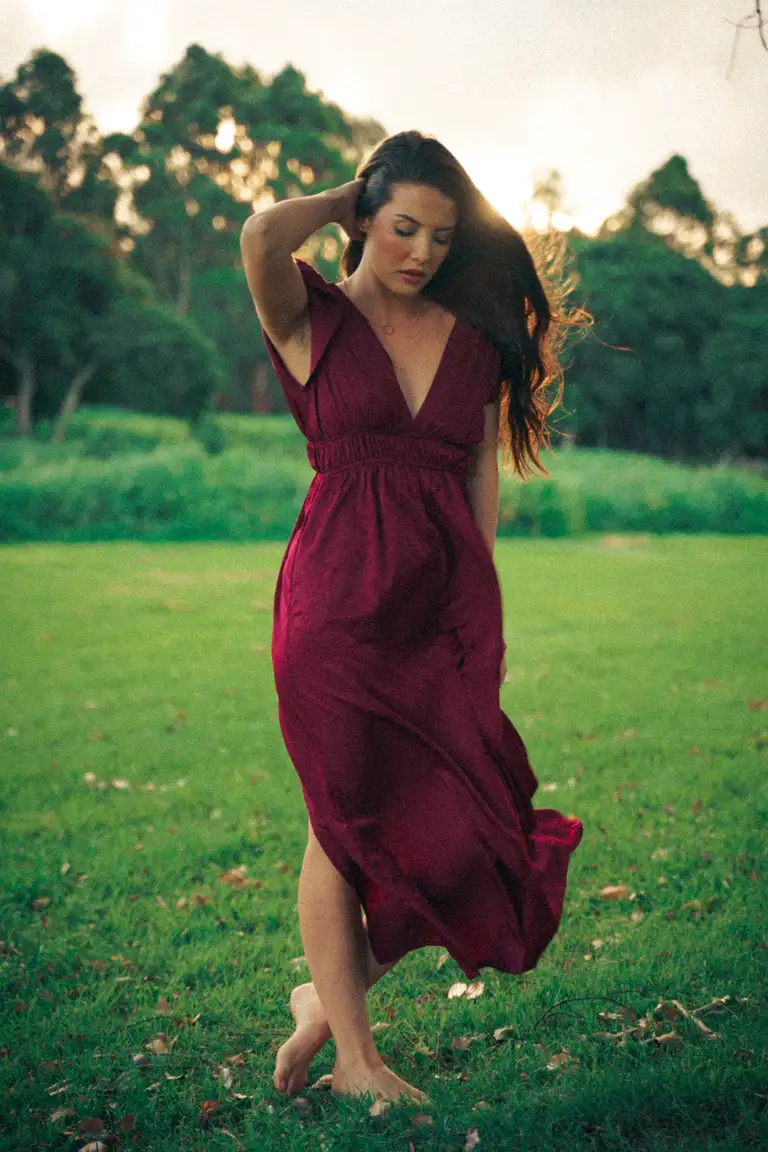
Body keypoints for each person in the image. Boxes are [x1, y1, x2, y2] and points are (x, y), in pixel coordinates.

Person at [240, 130, 589, 1108]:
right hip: (331, 609)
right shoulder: (309, 317)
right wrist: (356, 190)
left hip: (431, 612)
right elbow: (263, 232)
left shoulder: (471, 334)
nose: (423, 253)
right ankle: (356, 1059)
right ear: (362, 219)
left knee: (463, 828)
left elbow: (478, 470)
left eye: (441, 235)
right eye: (402, 227)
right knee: (337, 824)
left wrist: (476, 609)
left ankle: (324, 999)